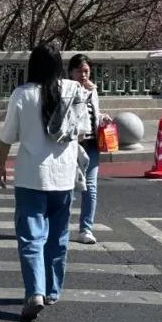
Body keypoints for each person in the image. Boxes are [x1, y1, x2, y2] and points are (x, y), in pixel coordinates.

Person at [0, 43, 91, 322]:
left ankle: (34, 291)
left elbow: (8, 136)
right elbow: (83, 132)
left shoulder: (22, 94)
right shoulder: (74, 91)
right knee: (58, 237)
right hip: (63, 177)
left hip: (30, 176)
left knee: (31, 238)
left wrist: (1, 164)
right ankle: (52, 290)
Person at [68, 54, 109, 245]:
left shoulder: (93, 90)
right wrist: (85, 92)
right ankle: (58, 225)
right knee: (68, 187)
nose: (83, 75)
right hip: (73, 145)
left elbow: (93, 114)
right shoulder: (67, 89)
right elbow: (72, 113)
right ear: (71, 72)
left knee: (90, 187)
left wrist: (102, 119)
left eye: (86, 71)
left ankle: (86, 228)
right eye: (79, 71)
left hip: (92, 144)